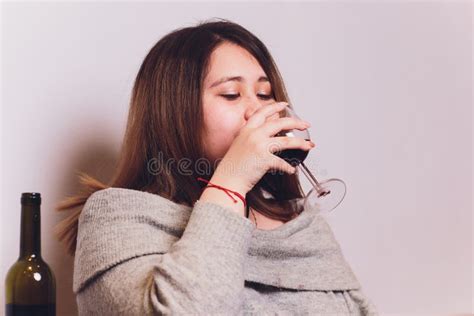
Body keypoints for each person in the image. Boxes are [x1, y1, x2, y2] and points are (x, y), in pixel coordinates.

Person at [55, 18, 378, 315]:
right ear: (174, 112)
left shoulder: (300, 223)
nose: (258, 111)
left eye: (265, 94)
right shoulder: (114, 219)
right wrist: (232, 182)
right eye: (231, 94)